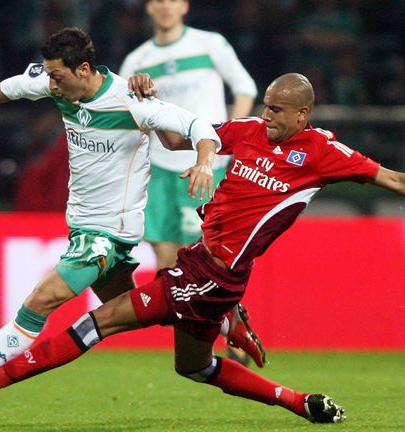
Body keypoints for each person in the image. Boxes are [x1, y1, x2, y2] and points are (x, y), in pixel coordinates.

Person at [0, 73, 405, 422]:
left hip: (211, 276)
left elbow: (395, 179)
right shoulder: (247, 132)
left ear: (303, 113)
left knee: (98, 322)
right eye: (264, 105)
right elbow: (179, 138)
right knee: (192, 368)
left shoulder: (322, 154)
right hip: (207, 271)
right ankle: (297, 400)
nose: (265, 116)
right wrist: (150, 99)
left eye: (276, 110)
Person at [0, 27, 222, 405]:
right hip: (85, 229)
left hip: (105, 235)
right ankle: (223, 315)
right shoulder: (59, 86)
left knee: (40, 301)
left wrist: (204, 162)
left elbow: (197, 127)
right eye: (49, 76)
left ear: (84, 69)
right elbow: (11, 87)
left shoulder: (131, 101)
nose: (52, 85)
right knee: (148, 309)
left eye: (58, 76)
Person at [119, 0, 264, 367]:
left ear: (184, 6)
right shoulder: (137, 61)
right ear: (149, 8)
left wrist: (228, 137)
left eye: (173, 0)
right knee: (168, 265)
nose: (165, 6)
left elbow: (245, 87)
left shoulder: (209, 43)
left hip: (205, 166)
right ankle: (209, 337)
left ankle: (228, 326)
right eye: (158, 0)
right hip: (159, 169)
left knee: (212, 259)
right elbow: (128, 116)